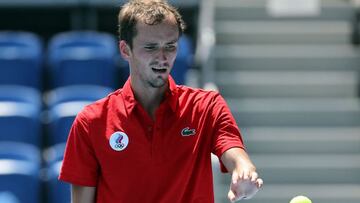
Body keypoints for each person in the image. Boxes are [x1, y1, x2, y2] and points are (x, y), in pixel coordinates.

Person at [59, 0, 263, 202]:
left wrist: (244, 170)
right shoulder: (91, 121)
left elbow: (234, 151)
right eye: (151, 47)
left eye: (170, 46)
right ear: (125, 50)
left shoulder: (207, 105)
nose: (163, 57)